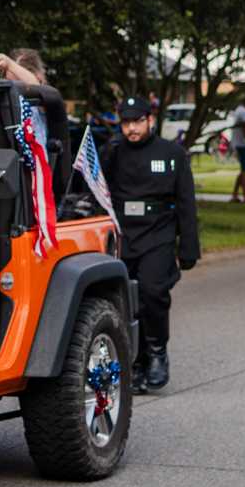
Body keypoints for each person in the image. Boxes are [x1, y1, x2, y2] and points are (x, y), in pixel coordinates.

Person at [103, 97, 199, 393]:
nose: (131, 128)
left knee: (153, 292)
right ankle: (135, 361)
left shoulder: (172, 154)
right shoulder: (112, 153)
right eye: (126, 122)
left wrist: (188, 248)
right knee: (125, 300)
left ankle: (157, 355)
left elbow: (186, 202)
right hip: (123, 234)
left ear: (150, 120)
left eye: (137, 121)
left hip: (158, 232)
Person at [225, 94, 245, 203]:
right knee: (244, 170)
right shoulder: (244, 112)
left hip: (240, 143)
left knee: (244, 170)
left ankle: (234, 195)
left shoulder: (241, 110)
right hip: (243, 144)